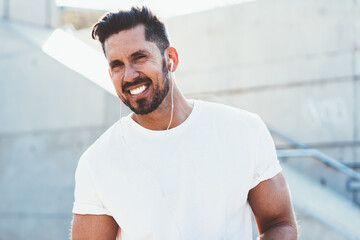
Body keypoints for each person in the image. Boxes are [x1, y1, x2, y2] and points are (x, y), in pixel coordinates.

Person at [71, 6, 297, 240]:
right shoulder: (98, 162)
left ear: (171, 59)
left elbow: (279, 224)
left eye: (139, 57)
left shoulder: (243, 130)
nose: (129, 75)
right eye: (117, 65)